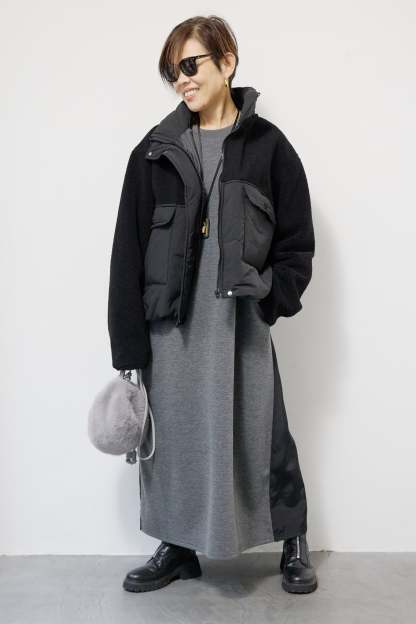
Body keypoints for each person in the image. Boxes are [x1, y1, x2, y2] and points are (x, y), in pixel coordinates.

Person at [107, 15, 317, 594]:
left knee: (261, 435)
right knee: (173, 439)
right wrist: (127, 347)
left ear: (227, 62)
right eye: (171, 71)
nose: (181, 79)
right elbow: (127, 253)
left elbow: (297, 244)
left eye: (190, 64)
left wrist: (271, 296)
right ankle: (178, 547)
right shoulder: (154, 152)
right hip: (170, 328)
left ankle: (292, 538)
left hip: (240, 325)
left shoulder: (269, 147)